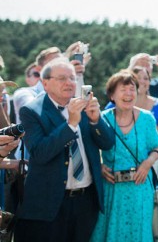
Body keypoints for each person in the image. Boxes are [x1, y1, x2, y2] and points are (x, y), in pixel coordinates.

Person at [15, 58, 115, 242]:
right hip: (50, 204)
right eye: (62, 78)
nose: (69, 82)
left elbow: (108, 143)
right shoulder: (31, 111)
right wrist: (70, 125)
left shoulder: (84, 106)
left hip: (85, 201)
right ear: (45, 83)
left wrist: (95, 120)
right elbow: (40, 153)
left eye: (72, 77)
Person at [91, 70, 158, 241]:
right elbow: (90, 150)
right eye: (123, 90)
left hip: (140, 188)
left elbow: (157, 147)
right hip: (111, 188)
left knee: (138, 233)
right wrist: (99, 167)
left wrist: (147, 164)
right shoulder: (102, 119)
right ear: (112, 95)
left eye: (132, 89)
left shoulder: (147, 118)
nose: (129, 94)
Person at [130, 66, 158, 144]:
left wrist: (150, 122)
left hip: (153, 154)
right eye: (138, 78)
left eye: (145, 78)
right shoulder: (119, 104)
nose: (142, 81)